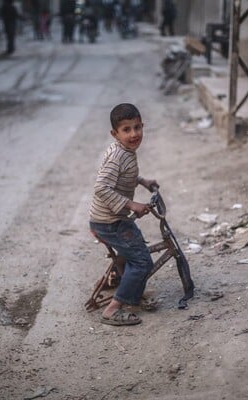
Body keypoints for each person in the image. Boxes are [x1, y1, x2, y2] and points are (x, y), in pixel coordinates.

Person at [89, 103, 158, 326]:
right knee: (142, 261)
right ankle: (113, 309)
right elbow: (101, 187)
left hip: (112, 218)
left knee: (133, 251)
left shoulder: (125, 152)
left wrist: (143, 181)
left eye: (137, 127)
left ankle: (125, 286)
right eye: (126, 129)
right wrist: (131, 204)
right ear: (115, 134)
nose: (134, 134)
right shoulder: (119, 155)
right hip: (109, 222)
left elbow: (122, 176)